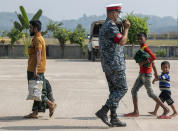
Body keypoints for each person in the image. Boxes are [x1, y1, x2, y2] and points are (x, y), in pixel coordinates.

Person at [95, 3, 130, 127]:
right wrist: (126, 29)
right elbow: (122, 41)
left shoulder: (106, 25)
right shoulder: (110, 26)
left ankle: (114, 117)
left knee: (114, 91)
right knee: (122, 88)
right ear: (111, 13)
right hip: (115, 65)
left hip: (109, 65)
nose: (118, 15)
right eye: (117, 13)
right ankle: (103, 111)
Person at [124, 32, 170, 119]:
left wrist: (143, 63)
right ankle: (136, 111)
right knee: (134, 91)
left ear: (145, 39)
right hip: (142, 74)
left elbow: (153, 57)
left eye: (141, 38)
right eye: (138, 39)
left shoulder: (146, 48)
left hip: (146, 75)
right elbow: (152, 61)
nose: (139, 40)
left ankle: (166, 109)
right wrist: (156, 73)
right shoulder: (142, 47)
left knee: (151, 93)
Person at [24, 20, 56, 119]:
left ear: (36, 28)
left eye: (31, 27)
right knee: (36, 91)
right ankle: (35, 113)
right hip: (34, 68)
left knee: (37, 91)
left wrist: (36, 68)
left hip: (35, 69)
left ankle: (51, 104)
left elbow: (38, 53)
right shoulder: (37, 38)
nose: (29, 29)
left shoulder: (38, 39)